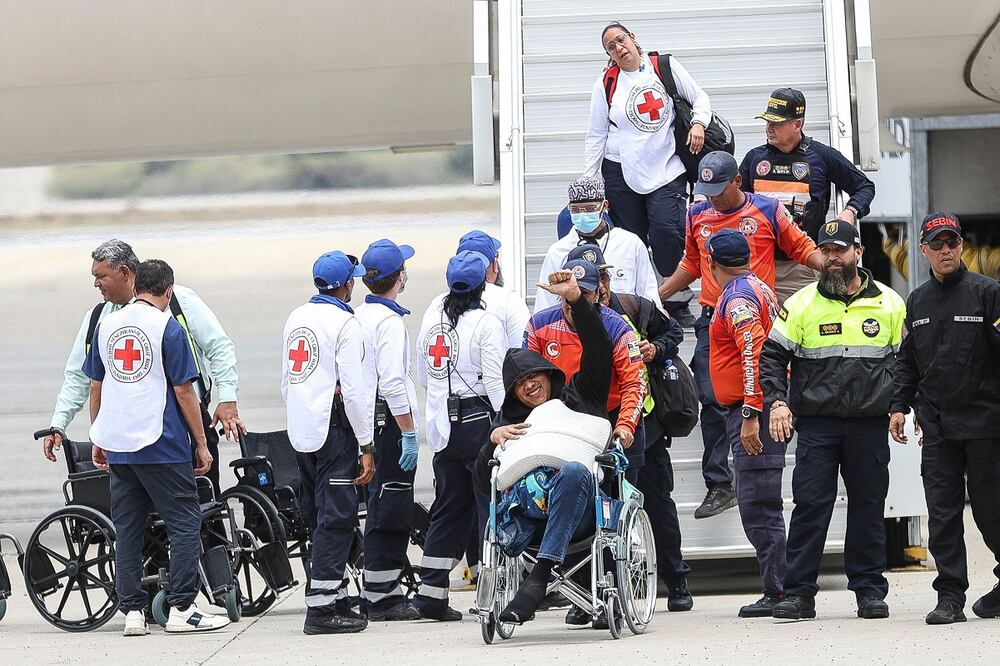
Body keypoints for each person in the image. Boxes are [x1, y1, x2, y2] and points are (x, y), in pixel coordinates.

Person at [659, 151, 821, 520]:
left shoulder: (766, 209)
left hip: (755, 314)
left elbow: (799, 246)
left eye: (719, 189)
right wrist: (662, 293)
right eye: (706, 190)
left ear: (738, 182)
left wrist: (827, 268)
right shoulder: (697, 213)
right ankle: (720, 483)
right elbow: (691, 261)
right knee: (710, 395)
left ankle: (761, 463)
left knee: (762, 382)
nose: (712, 197)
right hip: (712, 318)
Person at [760, 221, 905, 621]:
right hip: (818, 426)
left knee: (868, 506)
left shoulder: (891, 303)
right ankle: (799, 594)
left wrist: (901, 406)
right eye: (826, 250)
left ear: (858, 252)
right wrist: (776, 402)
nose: (833, 258)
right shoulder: (801, 303)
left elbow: (907, 363)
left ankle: (870, 592)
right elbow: (771, 357)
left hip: (869, 425)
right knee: (810, 506)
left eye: (840, 250)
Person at [84, 259, 230, 637]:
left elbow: (96, 386)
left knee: (128, 529)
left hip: (117, 444)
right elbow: (184, 390)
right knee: (184, 522)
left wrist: (97, 435)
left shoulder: (106, 325)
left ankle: (132, 613)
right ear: (168, 291)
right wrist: (201, 442)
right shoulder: (167, 327)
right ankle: (182, 607)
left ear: (135, 288)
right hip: (160, 442)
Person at [43, 239, 244, 495]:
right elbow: (79, 377)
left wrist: (227, 399)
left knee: (204, 510)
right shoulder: (98, 318)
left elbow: (219, 347)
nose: (95, 283)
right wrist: (58, 424)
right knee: (141, 519)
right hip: (125, 432)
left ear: (125, 273)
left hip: (185, 424)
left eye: (100, 276)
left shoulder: (176, 300)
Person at [471, 268, 613, 625]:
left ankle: (539, 578)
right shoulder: (508, 422)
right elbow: (481, 483)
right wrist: (490, 445)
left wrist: (577, 302)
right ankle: (538, 574)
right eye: (520, 384)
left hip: (581, 514)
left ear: (549, 374)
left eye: (535, 375)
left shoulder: (580, 397)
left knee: (575, 471)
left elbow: (598, 349)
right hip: (526, 523)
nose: (530, 385)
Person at [889, 212, 1000, 625]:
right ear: (924, 249)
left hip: (988, 425)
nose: (946, 250)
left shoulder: (988, 294)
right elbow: (908, 361)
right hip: (937, 428)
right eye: (937, 243)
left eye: (952, 242)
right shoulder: (916, 301)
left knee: (992, 512)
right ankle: (950, 596)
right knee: (943, 514)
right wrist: (899, 405)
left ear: (961, 246)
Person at [584, 22, 713, 323]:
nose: (619, 48)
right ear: (609, 54)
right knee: (633, 241)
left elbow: (700, 98)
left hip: (666, 167)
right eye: (611, 47)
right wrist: (590, 184)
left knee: (666, 232)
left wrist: (698, 123)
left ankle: (677, 298)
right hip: (620, 171)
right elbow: (595, 134)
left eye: (621, 40)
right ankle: (640, 304)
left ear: (633, 38)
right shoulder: (606, 82)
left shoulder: (663, 66)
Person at [588, 243, 692, 613]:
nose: (593, 289)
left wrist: (655, 349)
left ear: (605, 279)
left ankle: (676, 581)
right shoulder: (564, 318)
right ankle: (591, 592)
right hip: (592, 428)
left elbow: (674, 333)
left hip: (642, 424)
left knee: (658, 505)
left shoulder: (634, 306)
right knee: (594, 511)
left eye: (598, 279)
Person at [281, 250, 376, 635]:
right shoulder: (345, 324)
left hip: (303, 426)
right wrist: (366, 444)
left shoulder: (297, 317)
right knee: (337, 516)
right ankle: (320, 610)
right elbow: (353, 391)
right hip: (335, 425)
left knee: (318, 513)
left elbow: (287, 380)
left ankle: (332, 592)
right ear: (348, 285)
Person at [412, 251, 507, 621]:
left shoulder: (432, 319)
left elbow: (423, 372)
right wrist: (505, 423)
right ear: (483, 284)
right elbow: (497, 382)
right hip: (480, 422)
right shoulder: (487, 323)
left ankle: (430, 594)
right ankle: (493, 592)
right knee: (489, 507)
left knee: (448, 509)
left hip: (443, 428)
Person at [704, 229, 786, 618]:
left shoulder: (736, 297)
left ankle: (778, 591)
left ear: (712, 264)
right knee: (761, 500)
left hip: (753, 409)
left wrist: (752, 414)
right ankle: (778, 587)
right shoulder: (758, 286)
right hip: (756, 405)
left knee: (758, 503)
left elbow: (753, 350)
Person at [739, 88, 876, 302]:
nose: (769, 128)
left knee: (806, 330)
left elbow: (865, 186)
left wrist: (850, 211)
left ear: (797, 124)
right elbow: (738, 208)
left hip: (802, 266)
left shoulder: (821, 156)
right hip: (759, 263)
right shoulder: (753, 159)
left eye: (777, 123)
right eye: (768, 121)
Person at [354, 239, 422, 622]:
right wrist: (408, 432)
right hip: (390, 425)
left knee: (377, 504)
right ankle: (383, 596)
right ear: (399, 276)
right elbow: (394, 383)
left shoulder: (358, 316)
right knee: (393, 505)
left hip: (367, 424)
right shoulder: (389, 323)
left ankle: (375, 587)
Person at [526, 258, 646, 454]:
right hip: (559, 424)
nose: (574, 301)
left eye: (584, 294)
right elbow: (527, 379)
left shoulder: (619, 328)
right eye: (569, 294)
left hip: (612, 419)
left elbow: (634, 382)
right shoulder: (538, 325)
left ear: (598, 294)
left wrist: (625, 425)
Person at [535, 176, 660, 314]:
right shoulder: (557, 251)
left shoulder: (630, 243)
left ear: (604, 206)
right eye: (576, 210)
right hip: (574, 327)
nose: (582, 214)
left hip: (624, 325)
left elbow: (648, 293)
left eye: (590, 208)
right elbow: (545, 304)